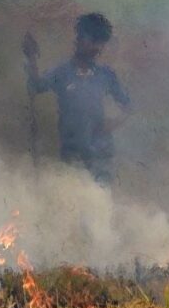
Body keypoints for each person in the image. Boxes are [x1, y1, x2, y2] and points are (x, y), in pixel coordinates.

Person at [22, 13, 131, 182]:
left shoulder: (106, 75)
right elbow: (36, 86)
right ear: (79, 39)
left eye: (100, 43)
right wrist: (31, 57)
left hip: (101, 156)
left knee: (99, 196)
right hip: (72, 154)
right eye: (92, 40)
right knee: (74, 194)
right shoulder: (61, 72)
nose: (96, 47)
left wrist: (112, 124)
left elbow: (128, 107)